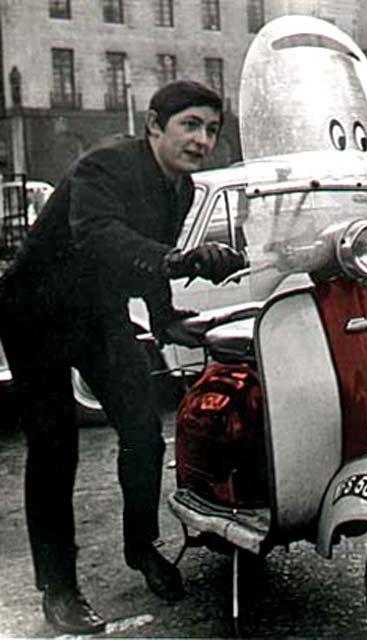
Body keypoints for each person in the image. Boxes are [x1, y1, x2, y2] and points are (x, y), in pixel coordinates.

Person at [0, 80, 245, 634]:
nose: (202, 140)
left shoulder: (181, 189)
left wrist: (165, 318)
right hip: (34, 310)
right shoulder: (104, 165)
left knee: (141, 427)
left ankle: (142, 547)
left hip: (98, 312)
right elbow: (100, 236)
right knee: (54, 445)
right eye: (190, 125)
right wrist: (183, 260)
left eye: (211, 129)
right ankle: (58, 589)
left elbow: (143, 264)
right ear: (155, 125)